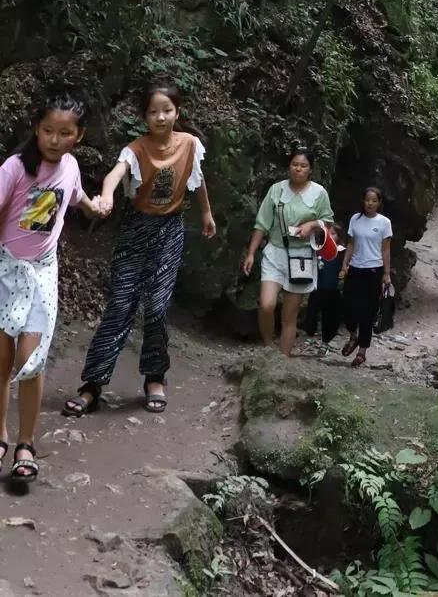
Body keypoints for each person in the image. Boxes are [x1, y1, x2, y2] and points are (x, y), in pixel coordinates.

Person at [64, 80, 216, 417]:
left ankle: (154, 378)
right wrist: (105, 197)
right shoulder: (136, 149)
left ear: (177, 112)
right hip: (135, 230)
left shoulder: (190, 144)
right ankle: (92, 384)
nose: (160, 117)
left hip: (169, 231)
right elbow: (114, 176)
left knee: (158, 308)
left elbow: (198, 177)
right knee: (120, 305)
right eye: (153, 111)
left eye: (167, 110)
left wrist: (206, 213)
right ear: (144, 116)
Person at [0, 93, 104, 484]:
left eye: (64, 133)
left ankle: (26, 442)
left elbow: (74, 197)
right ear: (36, 128)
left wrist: (95, 206)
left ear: (79, 135)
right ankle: (1, 437)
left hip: (42, 273)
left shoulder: (71, 167)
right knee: (2, 360)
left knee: (32, 360)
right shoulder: (14, 169)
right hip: (5, 270)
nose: (54, 140)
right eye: (47, 131)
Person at [243, 146, 334, 358]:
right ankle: (267, 349)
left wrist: (311, 224)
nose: (298, 169)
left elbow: (328, 222)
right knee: (266, 305)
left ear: (310, 169)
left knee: (289, 316)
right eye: (295, 165)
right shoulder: (277, 190)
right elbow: (262, 223)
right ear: (289, 166)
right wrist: (250, 253)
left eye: (303, 166)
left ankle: (282, 359)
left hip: (302, 257)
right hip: (275, 252)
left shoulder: (319, 193)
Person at [339, 188, 392, 368]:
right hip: (355, 268)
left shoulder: (384, 223)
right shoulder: (355, 219)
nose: (370, 203)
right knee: (348, 307)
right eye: (367, 200)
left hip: (373, 270)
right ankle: (353, 336)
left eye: (374, 200)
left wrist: (386, 273)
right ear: (363, 201)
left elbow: (386, 249)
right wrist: (344, 264)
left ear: (379, 203)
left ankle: (362, 351)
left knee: (367, 313)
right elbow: (351, 243)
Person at [303, 224, 344, 350]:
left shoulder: (342, 251)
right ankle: (310, 335)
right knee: (311, 312)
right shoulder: (317, 249)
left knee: (330, 316)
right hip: (317, 288)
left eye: (334, 234)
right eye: (328, 234)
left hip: (333, 289)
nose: (330, 237)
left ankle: (326, 341)